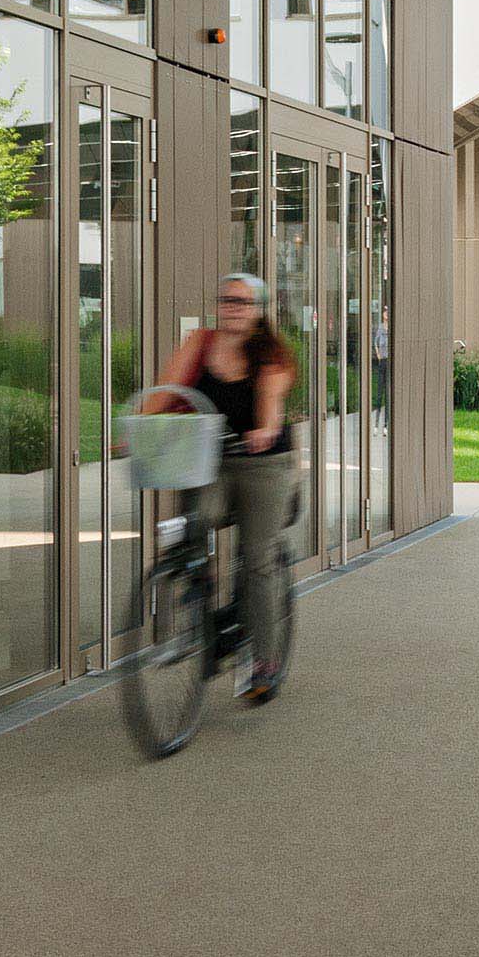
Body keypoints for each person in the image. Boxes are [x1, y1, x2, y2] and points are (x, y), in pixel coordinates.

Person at [155, 274, 299, 702]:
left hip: (263, 465)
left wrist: (265, 430)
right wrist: (140, 427)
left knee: (257, 561)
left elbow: (270, 407)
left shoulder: (271, 356)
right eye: (227, 300)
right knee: (193, 525)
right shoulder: (199, 343)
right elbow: (165, 392)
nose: (233, 307)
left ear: (258, 310)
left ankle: (264, 660)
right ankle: (199, 607)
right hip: (212, 461)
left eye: (243, 302)